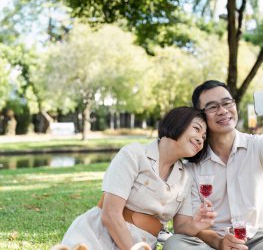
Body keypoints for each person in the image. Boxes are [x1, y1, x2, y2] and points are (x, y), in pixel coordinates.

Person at [164, 80, 263, 250]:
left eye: (227, 103)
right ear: (201, 115)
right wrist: (218, 242)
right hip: (212, 242)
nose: (223, 111)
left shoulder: (256, 145)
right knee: (175, 244)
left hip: (258, 239)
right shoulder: (191, 166)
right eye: (212, 107)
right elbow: (187, 226)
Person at [61, 106, 217, 250]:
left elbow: (181, 226)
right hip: (96, 238)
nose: (200, 140)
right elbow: (110, 214)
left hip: (143, 244)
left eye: (204, 137)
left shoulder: (186, 177)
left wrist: (196, 224)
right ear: (177, 123)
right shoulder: (133, 154)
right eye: (196, 129)